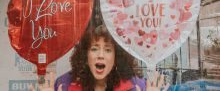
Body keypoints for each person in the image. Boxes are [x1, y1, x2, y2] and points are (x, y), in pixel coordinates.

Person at [30, 24, 170, 91]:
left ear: (117, 57)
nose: (101, 55)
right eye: (94, 49)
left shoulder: (138, 87)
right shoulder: (63, 85)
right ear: (85, 55)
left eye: (108, 50)